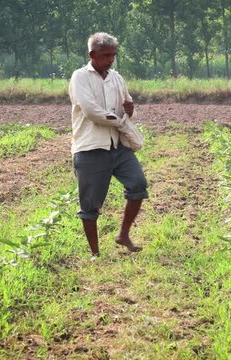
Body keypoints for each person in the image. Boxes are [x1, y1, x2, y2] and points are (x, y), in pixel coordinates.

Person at [68, 32, 148, 258]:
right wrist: (121, 118)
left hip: (117, 145)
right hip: (91, 147)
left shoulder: (117, 78)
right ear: (92, 54)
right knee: (90, 206)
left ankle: (123, 235)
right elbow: (92, 112)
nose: (111, 59)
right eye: (106, 55)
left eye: (113, 55)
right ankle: (95, 254)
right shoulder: (80, 77)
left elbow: (127, 106)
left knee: (138, 184)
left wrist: (130, 112)